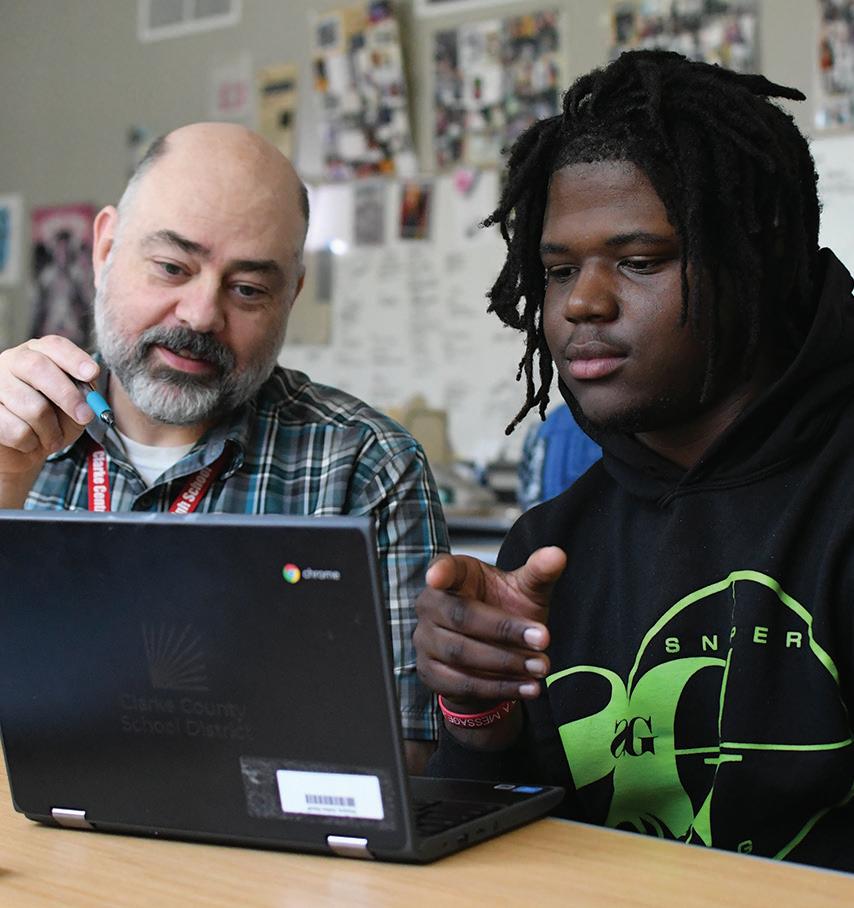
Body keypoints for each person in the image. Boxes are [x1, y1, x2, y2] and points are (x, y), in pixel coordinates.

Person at [413, 50, 854, 870]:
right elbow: (497, 853)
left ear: (755, 262)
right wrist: (480, 710)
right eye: (558, 271)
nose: (583, 302)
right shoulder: (548, 548)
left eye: (640, 261)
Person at [0, 122, 448, 772]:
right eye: (172, 268)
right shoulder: (12, 431)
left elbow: (412, 750)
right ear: (104, 249)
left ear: (290, 297)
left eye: (248, 290)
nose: (201, 314)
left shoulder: (367, 466)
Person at [517, 404, 600, 511]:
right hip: (587, 512)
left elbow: (527, 486)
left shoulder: (549, 422)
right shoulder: (603, 419)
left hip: (549, 511)